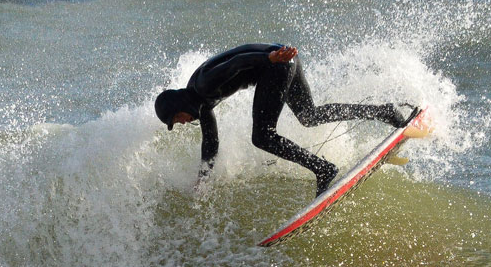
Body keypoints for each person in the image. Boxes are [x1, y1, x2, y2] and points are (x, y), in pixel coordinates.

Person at [154, 43, 413, 196]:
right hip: (284, 59)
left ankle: (323, 168)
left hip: (276, 63)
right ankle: (385, 112)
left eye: (177, 118)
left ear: (179, 104)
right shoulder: (201, 99)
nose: (183, 122)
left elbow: (234, 64)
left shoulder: (203, 84)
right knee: (309, 115)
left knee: (262, 136)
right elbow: (211, 141)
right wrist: (204, 177)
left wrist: (269, 59)